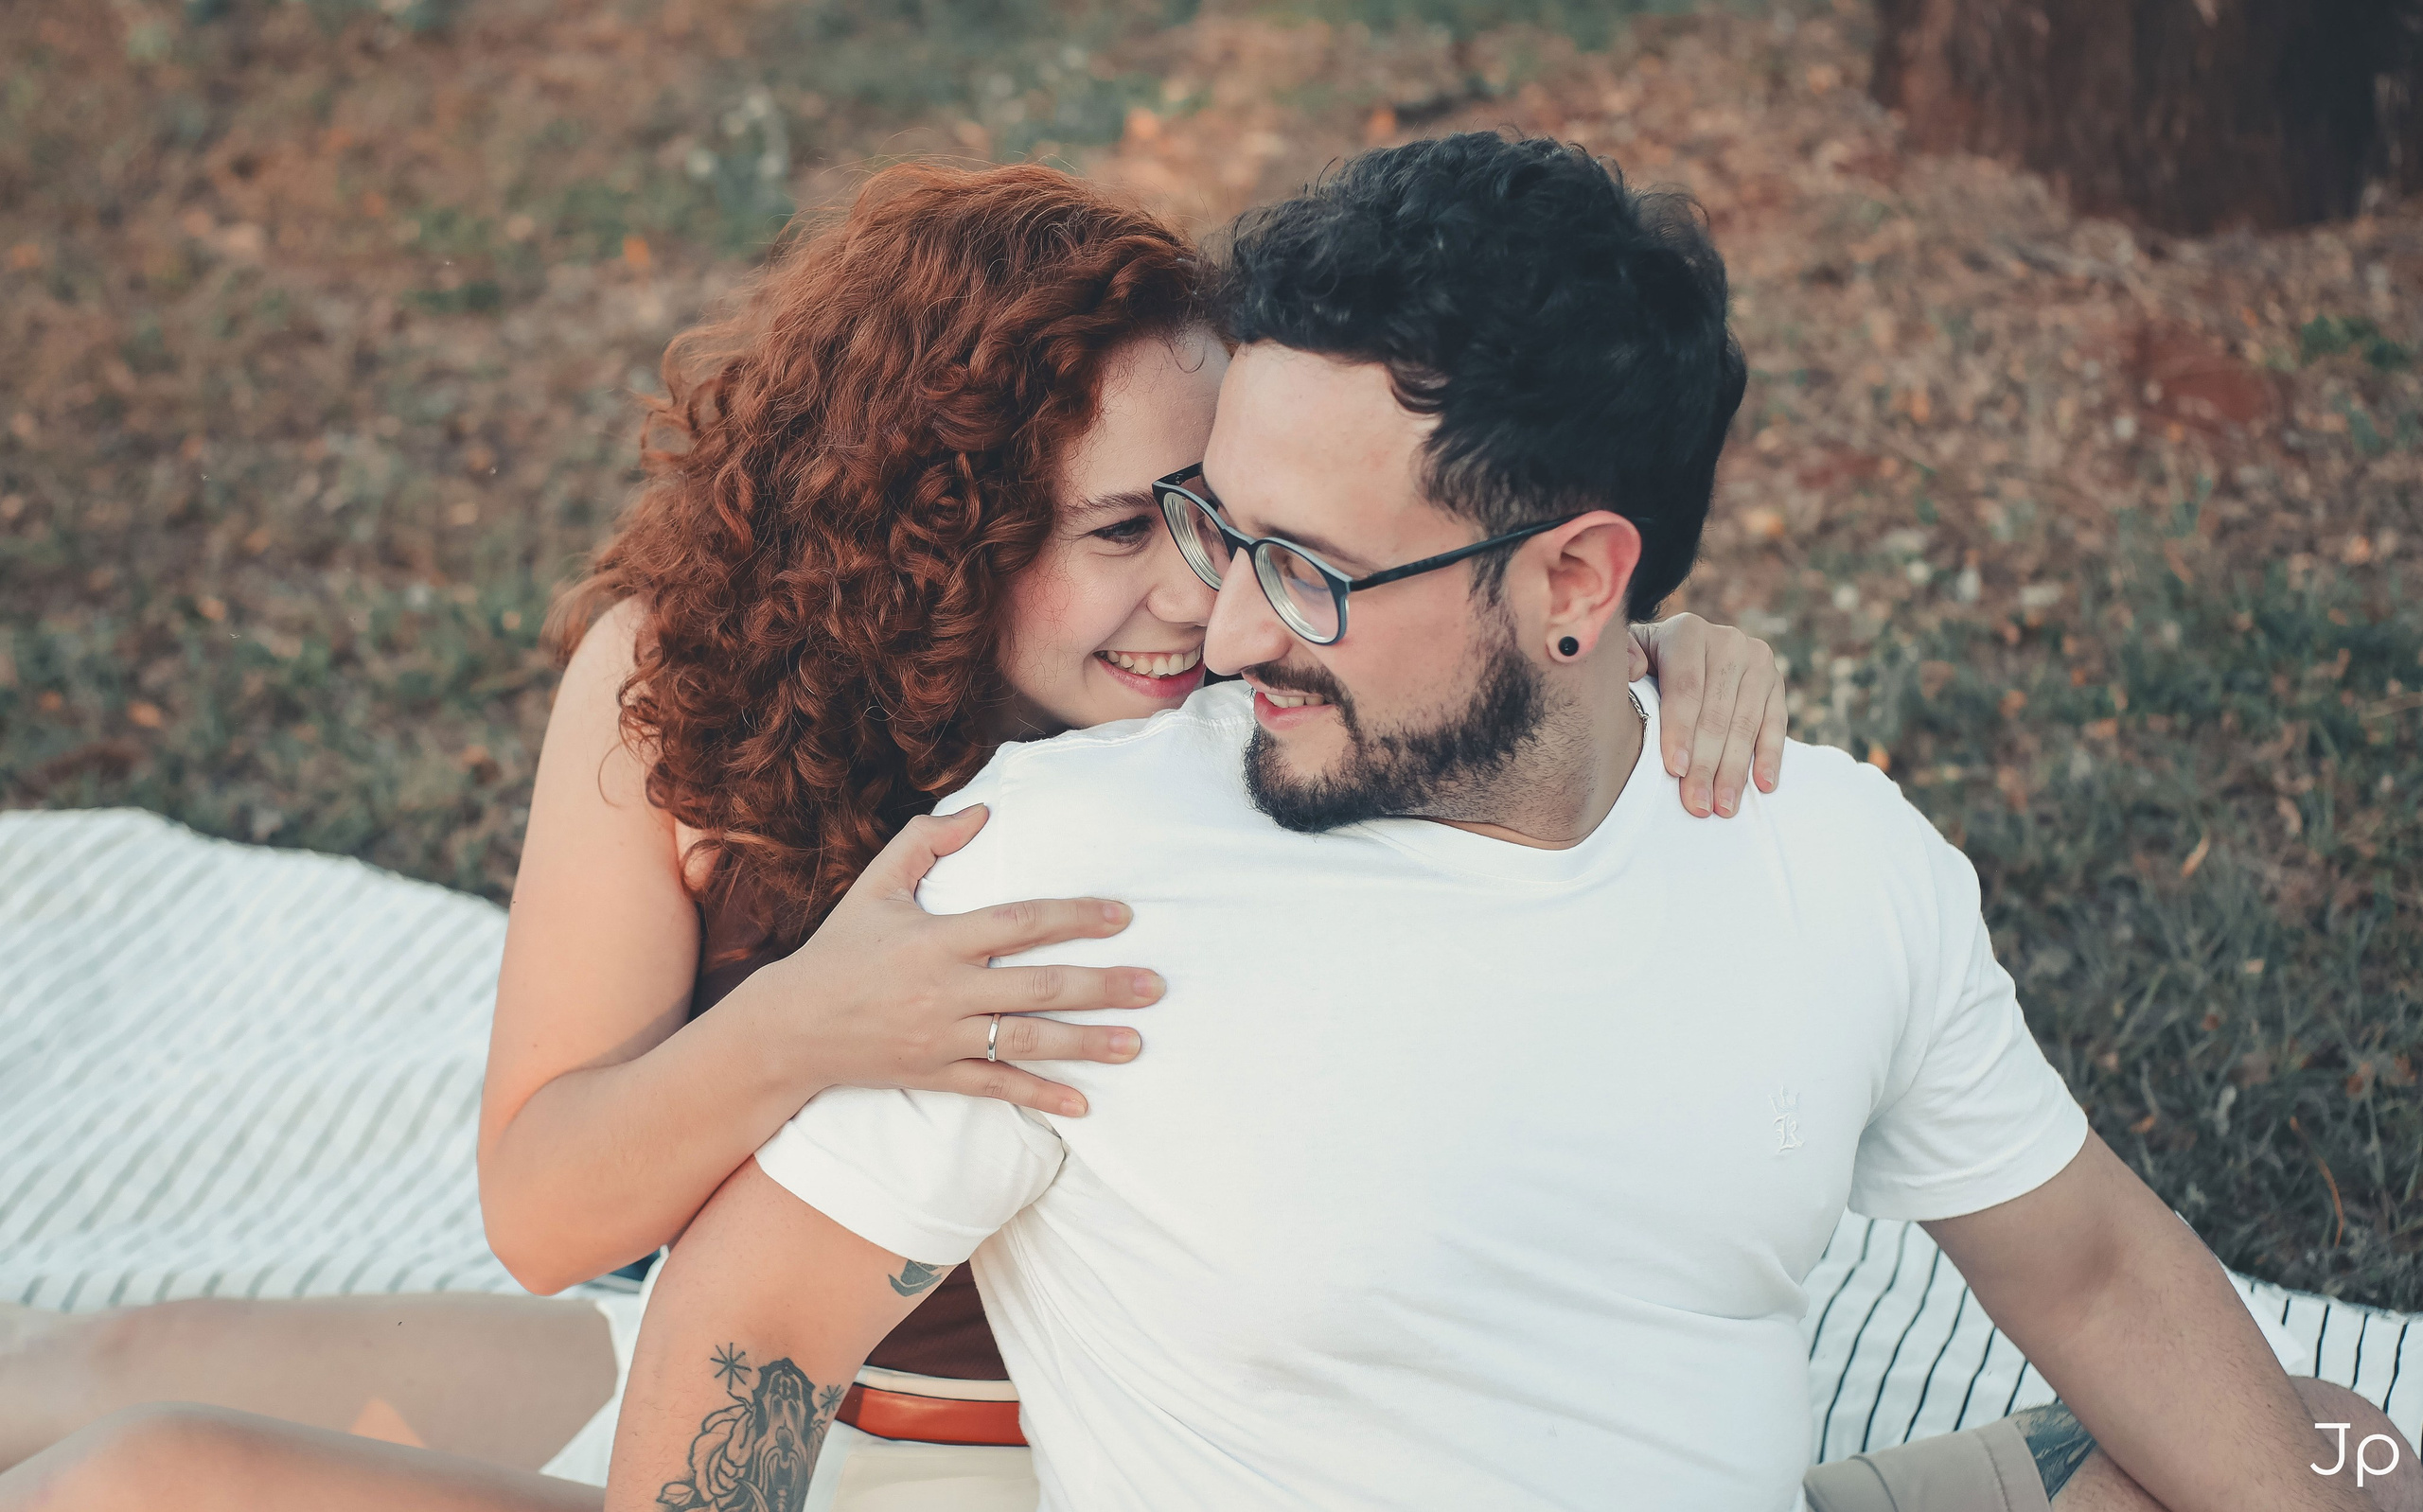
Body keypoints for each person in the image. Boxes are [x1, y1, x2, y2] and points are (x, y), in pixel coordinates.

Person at [602, 134, 2418, 1512]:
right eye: (1219, 532)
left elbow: (2092, 1264)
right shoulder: (1063, 873)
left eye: (1305, 573)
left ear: (1574, 579)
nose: (1228, 632)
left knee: (2350, 1449)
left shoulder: (1834, 855)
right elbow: (746, 1323)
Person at [0, 161, 1795, 1511]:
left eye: (1224, 517)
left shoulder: (1255, 715)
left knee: (138, 1476)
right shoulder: (686, 686)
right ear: (937, 531)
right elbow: (545, 1204)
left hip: (1004, 1456)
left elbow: (1467, 648)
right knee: (107, 1364)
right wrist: (811, 1021)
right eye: (1128, 532)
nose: (1213, 594)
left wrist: (1655, 652)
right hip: (729, 1358)